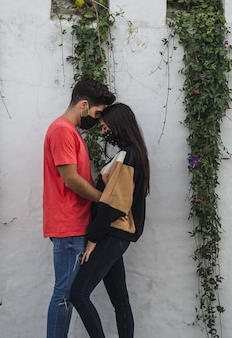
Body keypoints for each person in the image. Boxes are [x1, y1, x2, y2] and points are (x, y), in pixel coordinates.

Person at [69, 103, 150, 338]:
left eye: (105, 127)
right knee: (120, 300)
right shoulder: (132, 154)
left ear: (118, 126)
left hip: (112, 234)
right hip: (117, 234)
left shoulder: (126, 156)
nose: (104, 131)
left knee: (78, 294)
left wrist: (94, 238)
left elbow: (114, 203)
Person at [43, 77, 116, 338]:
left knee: (69, 295)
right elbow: (71, 179)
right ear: (83, 105)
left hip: (73, 225)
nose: (96, 120)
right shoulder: (63, 130)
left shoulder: (70, 131)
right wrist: (103, 199)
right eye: (96, 113)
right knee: (64, 295)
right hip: (68, 225)